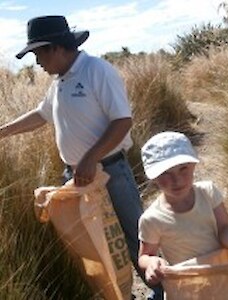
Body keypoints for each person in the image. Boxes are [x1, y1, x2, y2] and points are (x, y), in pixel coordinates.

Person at [0, 15, 162, 299]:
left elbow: (122, 121)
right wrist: (3, 131)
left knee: (133, 236)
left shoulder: (97, 70)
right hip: (76, 179)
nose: (37, 62)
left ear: (56, 48)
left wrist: (90, 158)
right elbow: (41, 114)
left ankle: (161, 293)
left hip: (109, 172)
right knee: (95, 244)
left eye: (38, 54)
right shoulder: (59, 81)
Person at [138, 131, 228, 288]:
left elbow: (224, 228)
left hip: (224, 274)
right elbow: (145, 255)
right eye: (165, 173)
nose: (177, 180)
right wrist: (152, 263)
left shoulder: (208, 192)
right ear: (153, 177)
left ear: (194, 166)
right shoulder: (152, 219)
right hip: (189, 285)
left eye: (183, 169)